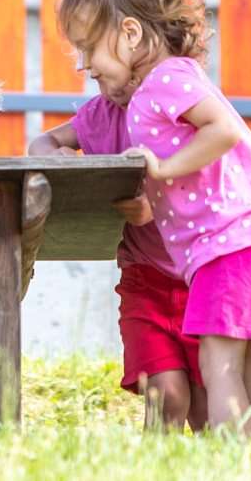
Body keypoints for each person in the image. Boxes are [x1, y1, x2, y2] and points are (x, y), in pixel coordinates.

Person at [56, 0, 251, 437]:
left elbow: (222, 130)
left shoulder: (164, 79)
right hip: (248, 243)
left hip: (229, 245)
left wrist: (162, 168)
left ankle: (234, 468)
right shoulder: (163, 85)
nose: (84, 64)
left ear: (131, 34)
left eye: (88, 48)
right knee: (246, 374)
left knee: (219, 366)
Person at [28, 73, 208, 432]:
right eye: (99, 77)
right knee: (167, 395)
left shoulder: (183, 108)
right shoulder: (102, 114)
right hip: (145, 280)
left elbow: (214, 179)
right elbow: (43, 141)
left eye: (123, 74)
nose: (112, 88)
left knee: (206, 409)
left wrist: (156, 205)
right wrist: (55, 154)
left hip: (200, 277)